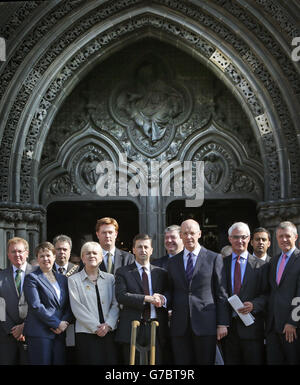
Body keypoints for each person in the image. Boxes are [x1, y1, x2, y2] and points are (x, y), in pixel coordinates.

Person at [167, 219, 228, 365]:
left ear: (199, 234)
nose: (189, 237)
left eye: (192, 233)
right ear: (180, 235)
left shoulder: (214, 258)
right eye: (185, 233)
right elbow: (170, 290)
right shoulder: (173, 262)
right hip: (180, 326)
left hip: (206, 324)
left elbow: (221, 293)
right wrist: (163, 300)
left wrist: (222, 323)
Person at [115, 234, 168, 365]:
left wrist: (163, 299)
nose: (143, 250)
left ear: (151, 250)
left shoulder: (161, 273)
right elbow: (121, 296)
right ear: (133, 250)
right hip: (132, 326)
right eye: (139, 247)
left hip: (156, 326)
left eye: (146, 247)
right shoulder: (123, 272)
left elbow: (168, 294)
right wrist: (147, 298)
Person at [221, 222, 267, 365]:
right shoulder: (221, 264)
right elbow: (218, 294)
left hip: (252, 330)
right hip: (228, 331)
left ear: (249, 239)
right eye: (235, 237)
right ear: (229, 239)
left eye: (243, 237)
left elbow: (268, 294)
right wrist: (220, 323)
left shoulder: (262, 265)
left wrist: (254, 305)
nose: (239, 241)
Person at [68, 242, 119, 365]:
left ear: (101, 257)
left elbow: (116, 304)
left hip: (109, 332)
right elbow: (77, 308)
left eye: (95, 253)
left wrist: (108, 325)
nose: (92, 256)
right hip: (86, 334)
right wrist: (96, 328)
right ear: (82, 258)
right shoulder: (73, 280)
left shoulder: (110, 278)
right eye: (88, 253)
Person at [23, 242, 73, 365]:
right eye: (42, 256)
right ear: (37, 259)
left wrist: (64, 323)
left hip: (59, 335)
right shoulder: (32, 278)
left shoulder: (63, 279)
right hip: (39, 334)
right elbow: (36, 306)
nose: (46, 259)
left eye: (48, 255)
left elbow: (69, 305)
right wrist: (56, 323)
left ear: (54, 257)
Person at [266, 221, 300, 364]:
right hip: (273, 325)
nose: (284, 239)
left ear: (296, 237)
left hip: (291, 328)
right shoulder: (274, 261)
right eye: (280, 236)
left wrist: (292, 322)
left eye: (287, 236)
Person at [0, 237, 35, 364]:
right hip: (6, 336)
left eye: (20, 251)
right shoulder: (1, 276)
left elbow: (42, 303)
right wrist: (11, 329)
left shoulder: (38, 274)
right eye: (13, 252)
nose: (17, 255)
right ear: (8, 255)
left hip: (33, 333)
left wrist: (25, 326)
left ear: (27, 253)